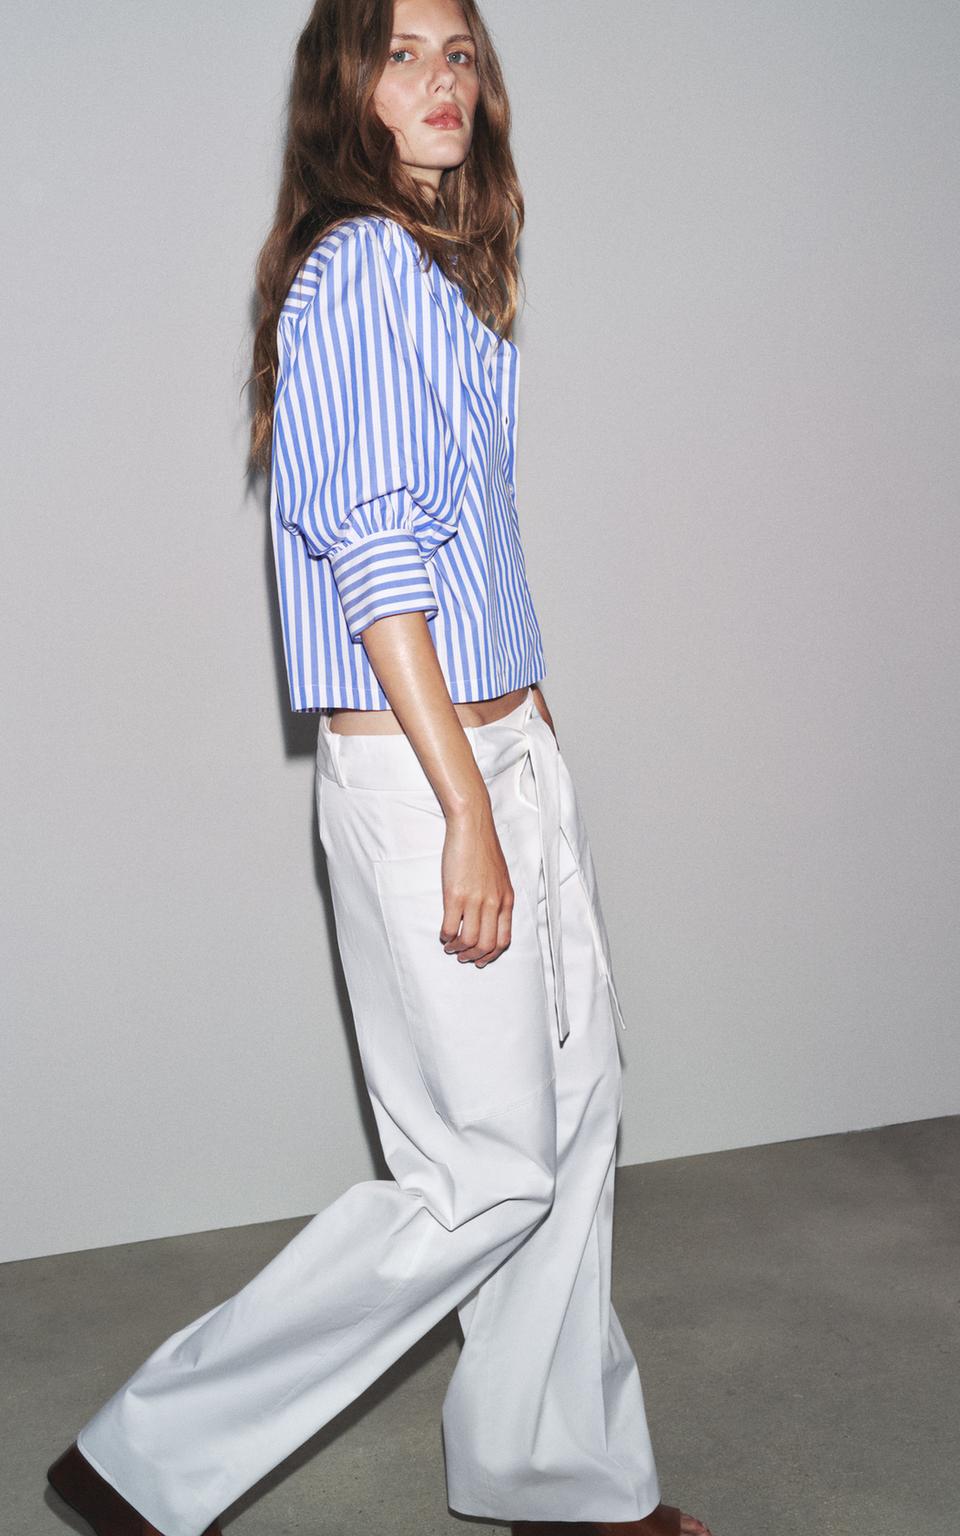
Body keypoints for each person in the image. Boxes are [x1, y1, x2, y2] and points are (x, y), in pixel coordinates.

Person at [45, 2, 715, 1534]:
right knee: (484, 1171)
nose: (441, 79)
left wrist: (527, 732)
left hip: (505, 750)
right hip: (431, 778)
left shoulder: (446, 279)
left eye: (459, 52)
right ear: (345, 89)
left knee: (573, 1130)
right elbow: (378, 561)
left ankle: (558, 1478)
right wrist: (467, 800)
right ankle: (143, 1457)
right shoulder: (356, 271)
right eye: (403, 53)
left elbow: (466, 545)